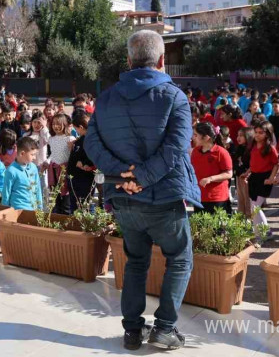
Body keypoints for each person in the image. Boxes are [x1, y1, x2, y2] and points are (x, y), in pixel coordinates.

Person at [85, 30, 200, 351]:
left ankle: (132, 331)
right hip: (163, 197)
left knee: (136, 261)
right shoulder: (175, 97)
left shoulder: (106, 97)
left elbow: (91, 142)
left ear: (128, 60)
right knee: (179, 258)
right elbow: (176, 147)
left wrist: (121, 173)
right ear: (162, 60)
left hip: (123, 197)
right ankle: (164, 328)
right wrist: (144, 177)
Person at [190, 122, 233, 213]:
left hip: (217, 199)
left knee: (217, 227)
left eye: (195, 135)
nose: (193, 137)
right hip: (199, 197)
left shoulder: (221, 152)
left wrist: (211, 178)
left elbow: (229, 174)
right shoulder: (195, 151)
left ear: (206, 138)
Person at [1, 136, 44, 210]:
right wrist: (4, 211)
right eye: (32, 154)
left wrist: (40, 207)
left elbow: (37, 188)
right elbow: (6, 193)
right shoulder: (11, 171)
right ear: (22, 153)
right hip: (18, 209)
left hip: (33, 209)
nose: (34, 158)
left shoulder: (33, 167)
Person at [66, 112, 96, 211]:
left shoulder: (91, 139)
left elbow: (92, 155)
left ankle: (87, 225)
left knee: (85, 205)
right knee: (76, 204)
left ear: (81, 127)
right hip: (75, 178)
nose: (76, 131)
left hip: (83, 178)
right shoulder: (81, 139)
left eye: (76, 128)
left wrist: (85, 163)